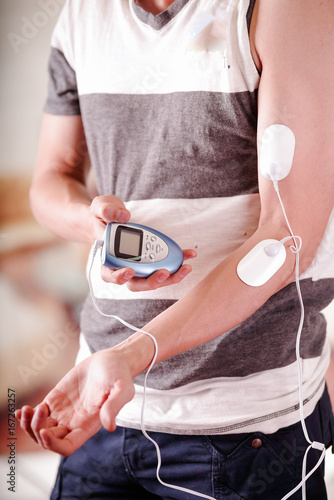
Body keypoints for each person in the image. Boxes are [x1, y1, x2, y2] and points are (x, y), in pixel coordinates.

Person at [16, 0, 334, 498]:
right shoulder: (80, 15)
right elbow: (50, 180)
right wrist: (93, 223)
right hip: (104, 404)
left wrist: (133, 354)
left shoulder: (286, 10)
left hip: (245, 431)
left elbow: (285, 237)